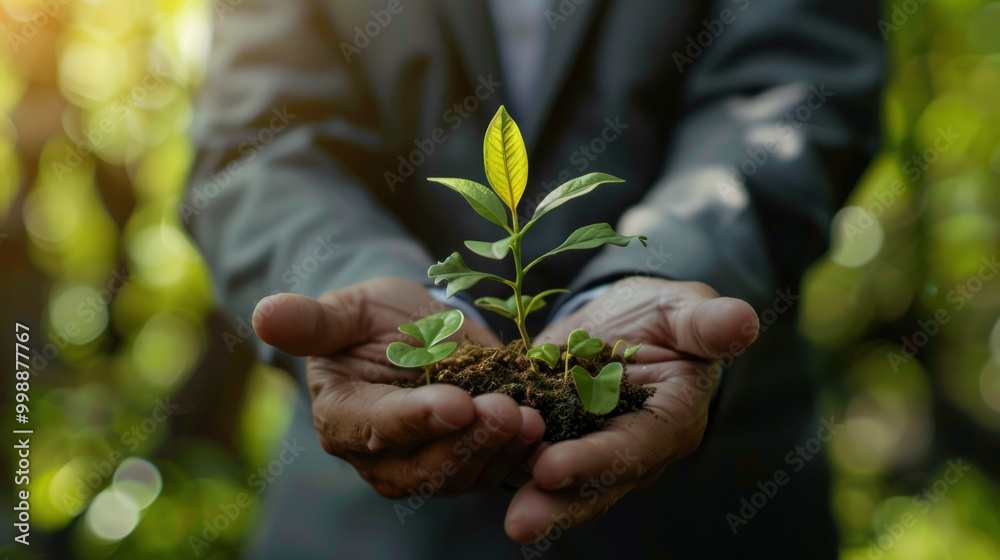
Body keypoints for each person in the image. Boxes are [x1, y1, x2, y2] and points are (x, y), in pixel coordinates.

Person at [185, 0, 883, 557]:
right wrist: (349, 281)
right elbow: (257, 143)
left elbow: (795, 93)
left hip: (710, 509)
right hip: (367, 530)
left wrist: (668, 265)